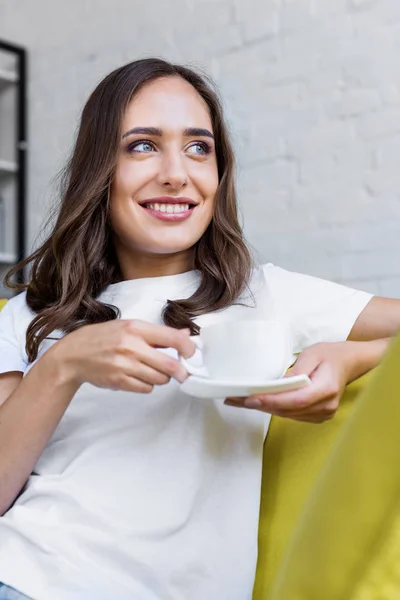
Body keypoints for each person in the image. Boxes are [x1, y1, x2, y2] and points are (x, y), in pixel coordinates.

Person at [0, 58, 399, 600]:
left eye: (198, 147)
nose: (176, 173)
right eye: (142, 145)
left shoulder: (268, 294)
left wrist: (356, 357)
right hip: (25, 577)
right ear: (99, 169)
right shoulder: (35, 311)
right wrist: (63, 365)